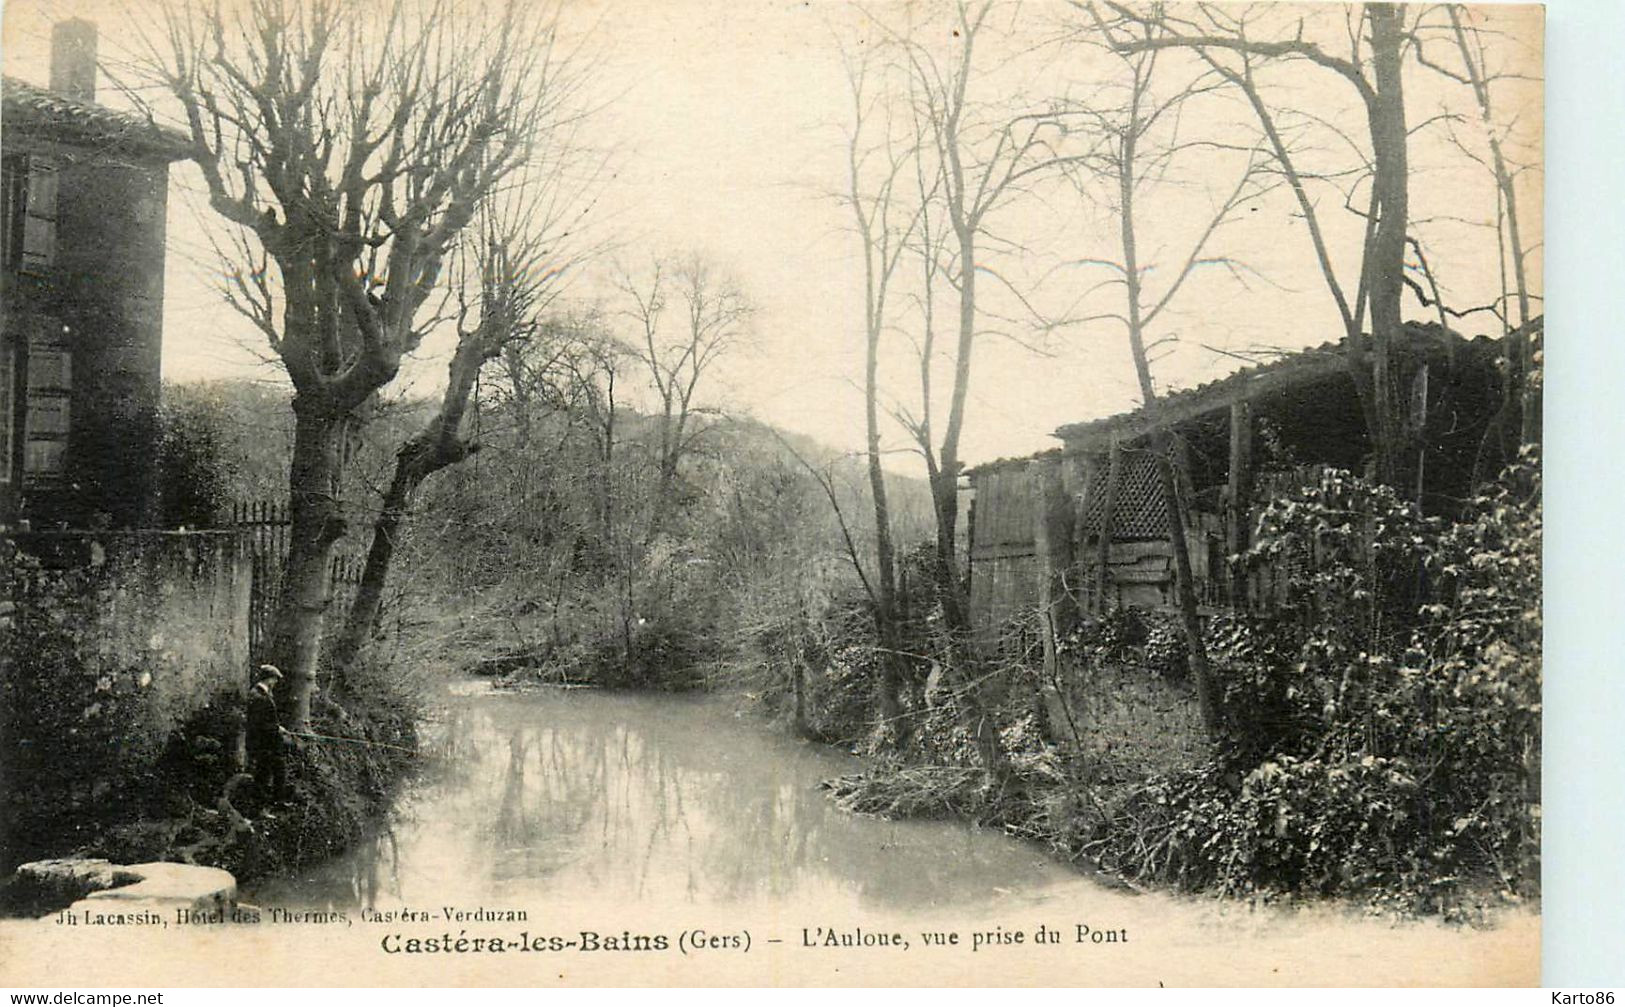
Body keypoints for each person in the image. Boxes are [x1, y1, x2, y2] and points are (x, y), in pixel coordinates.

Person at [246, 664, 290, 804]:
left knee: (266, 772)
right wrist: (277, 729)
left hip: (266, 741)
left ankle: (269, 802)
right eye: (275, 679)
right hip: (265, 742)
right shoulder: (259, 696)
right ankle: (274, 802)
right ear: (268, 679)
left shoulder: (259, 693)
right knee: (273, 770)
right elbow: (259, 723)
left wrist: (277, 727)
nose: (276, 683)